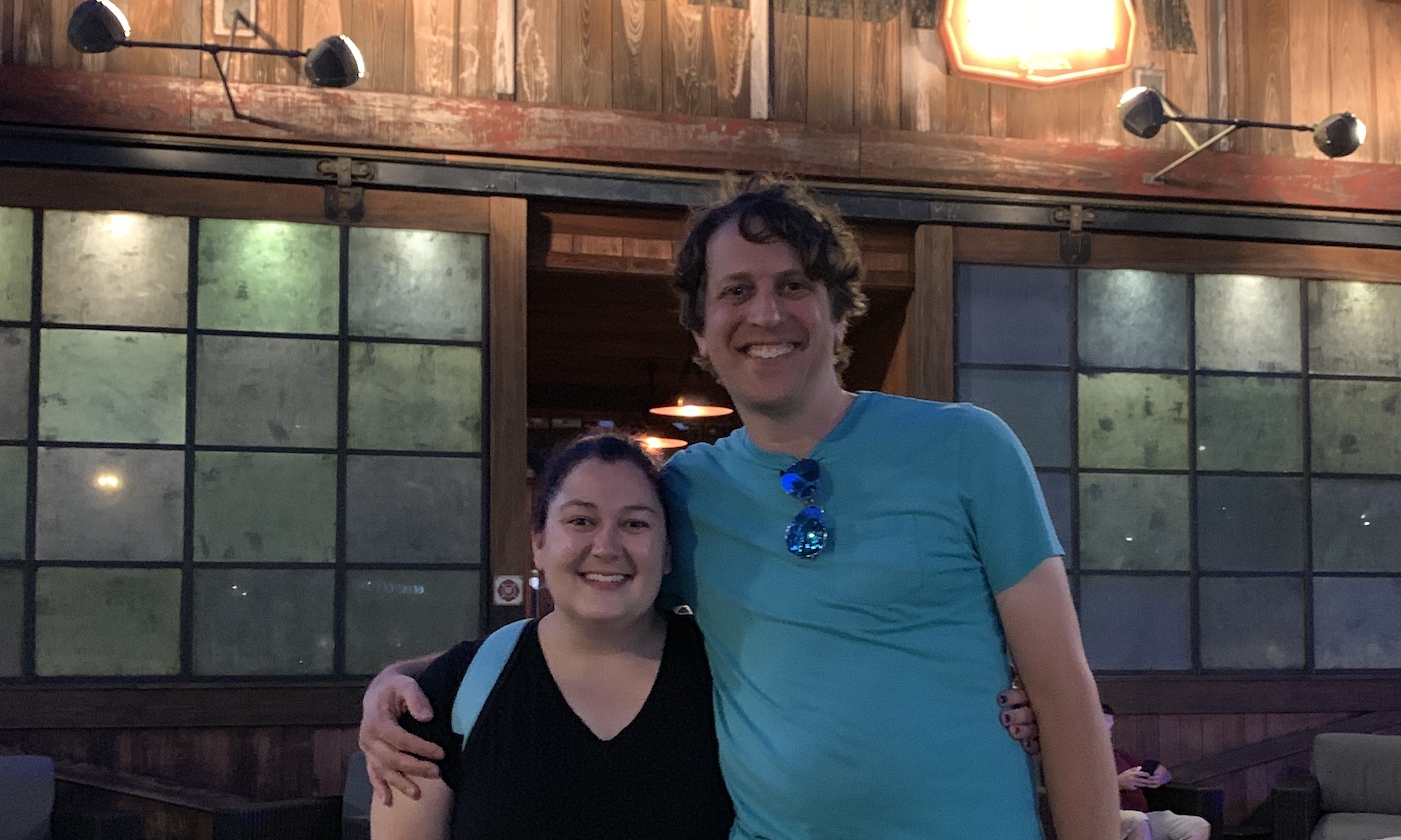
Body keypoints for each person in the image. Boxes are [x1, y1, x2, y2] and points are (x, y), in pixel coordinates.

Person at [363, 176, 1118, 840]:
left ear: (838, 316)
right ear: (699, 334)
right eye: (735, 290)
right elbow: (584, 618)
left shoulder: (966, 447)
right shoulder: (683, 494)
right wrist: (406, 679)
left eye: (794, 286)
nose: (766, 312)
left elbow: (1062, 688)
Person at [370, 433, 734, 840]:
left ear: (667, 554)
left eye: (635, 523)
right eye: (581, 520)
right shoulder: (445, 695)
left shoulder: (731, 673)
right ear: (538, 544)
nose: (606, 547)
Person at [1103, 702, 1210, 840]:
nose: (1109, 735)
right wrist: (1117, 784)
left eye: (1110, 729)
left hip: (1143, 816)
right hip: (1107, 818)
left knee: (1197, 825)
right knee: (1138, 820)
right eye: (1103, 729)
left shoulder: (1118, 754)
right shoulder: (1077, 759)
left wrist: (1162, 775)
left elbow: (1158, 769)